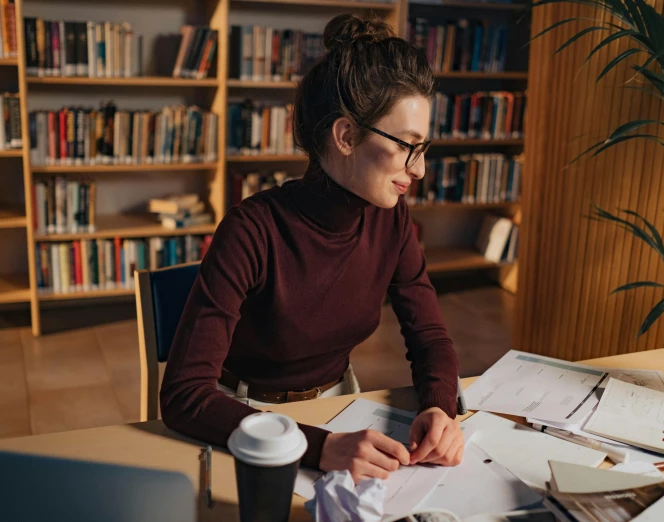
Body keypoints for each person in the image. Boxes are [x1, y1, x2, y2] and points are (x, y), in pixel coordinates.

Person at [161, 13, 464, 483]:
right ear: (345, 136)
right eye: (407, 146)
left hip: (342, 405)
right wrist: (320, 448)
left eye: (424, 148)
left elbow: (430, 339)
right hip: (246, 419)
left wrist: (440, 408)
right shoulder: (251, 230)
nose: (419, 170)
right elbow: (184, 395)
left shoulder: (392, 218)